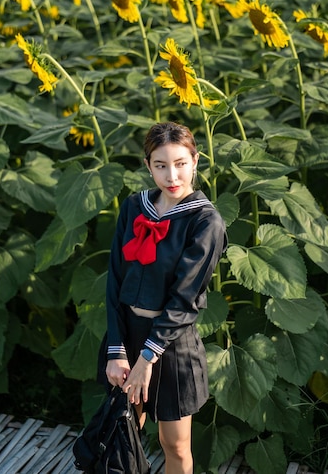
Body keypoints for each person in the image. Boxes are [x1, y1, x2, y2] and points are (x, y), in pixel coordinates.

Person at [104, 121, 227, 474]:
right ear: (148, 166)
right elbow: (114, 278)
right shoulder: (133, 206)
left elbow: (185, 298)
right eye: (160, 165)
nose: (171, 175)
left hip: (170, 345)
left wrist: (146, 360)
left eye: (180, 163)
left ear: (195, 160)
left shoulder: (206, 222)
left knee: (174, 444)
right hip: (126, 336)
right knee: (123, 432)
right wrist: (117, 349)